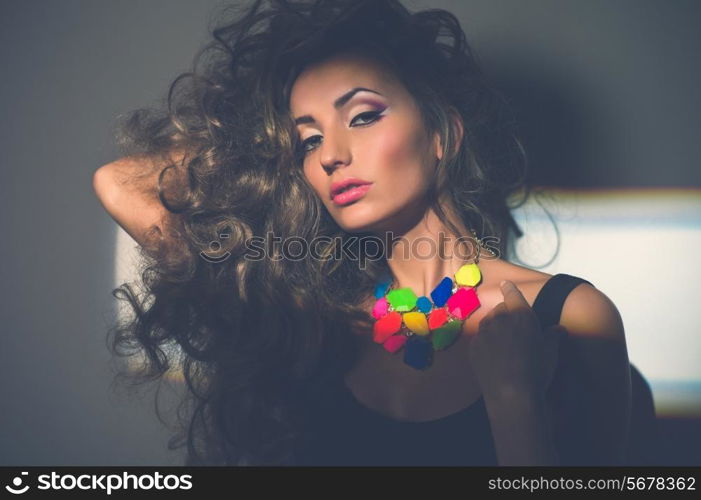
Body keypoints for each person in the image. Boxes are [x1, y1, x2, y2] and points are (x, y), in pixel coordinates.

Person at [93, 0, 631, 466]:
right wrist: (260, 151)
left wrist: (514, 402)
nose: (331, 155)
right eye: (307, 140)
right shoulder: (314, 317)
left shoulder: (568, 315)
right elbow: (118, 183)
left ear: (444, 132)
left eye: (363, 116)